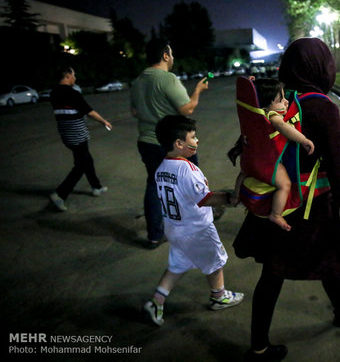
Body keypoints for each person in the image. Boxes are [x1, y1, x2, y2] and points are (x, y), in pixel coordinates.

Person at [238, 38, 340, 362]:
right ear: (320, 66)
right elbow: (339, 167)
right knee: (326, 257)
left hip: (279, 202)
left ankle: (261, 345)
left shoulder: (282, 99)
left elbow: (256, 141)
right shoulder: (323, 105)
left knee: (275, 273)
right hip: (314, 203)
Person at [143, 115, 244, 326]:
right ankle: (219, 297)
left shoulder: (162, 168)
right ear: (179, 144)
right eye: (193, 137)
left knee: (177, 265)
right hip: (196, 230)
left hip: (174, 228)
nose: (197, 141)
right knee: (215, 263)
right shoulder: (187, 169)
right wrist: (231, 199)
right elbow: (205, 199)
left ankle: (157, 300)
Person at [130, 39, 209, 247]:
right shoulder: (167, 79)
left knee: (154, 185)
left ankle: (155, 234)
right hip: (173, 144)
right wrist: (198, 90)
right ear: (165, 55)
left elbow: (135, 111)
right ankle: (196, 224)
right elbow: (187, 109)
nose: (172, 58)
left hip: (146, 141)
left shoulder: (137, 81)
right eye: (171, 54)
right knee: (192, 182)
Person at [234, 78, 315, 231]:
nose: (286, 102)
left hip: (248, 161)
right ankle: (276, 214)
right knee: (284, 184)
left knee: (242, 174)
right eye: (280, 100)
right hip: (266, 164)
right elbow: (284, 127)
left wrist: (251, 86)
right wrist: (303, 140)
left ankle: (235, 196)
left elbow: (247, 98)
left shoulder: (252, 114)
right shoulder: (271, 116)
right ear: (266, 104)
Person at [49, 67, 112, 212]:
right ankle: (59, 194)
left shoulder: (54, 93)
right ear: (67, 75)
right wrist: (104, 121)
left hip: (65, 133)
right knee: (80, 166)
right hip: (77, 134)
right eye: (73, 75)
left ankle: (96, 187)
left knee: (87, 160)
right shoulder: (72, 93)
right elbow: (89, 112)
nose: (75, 78)